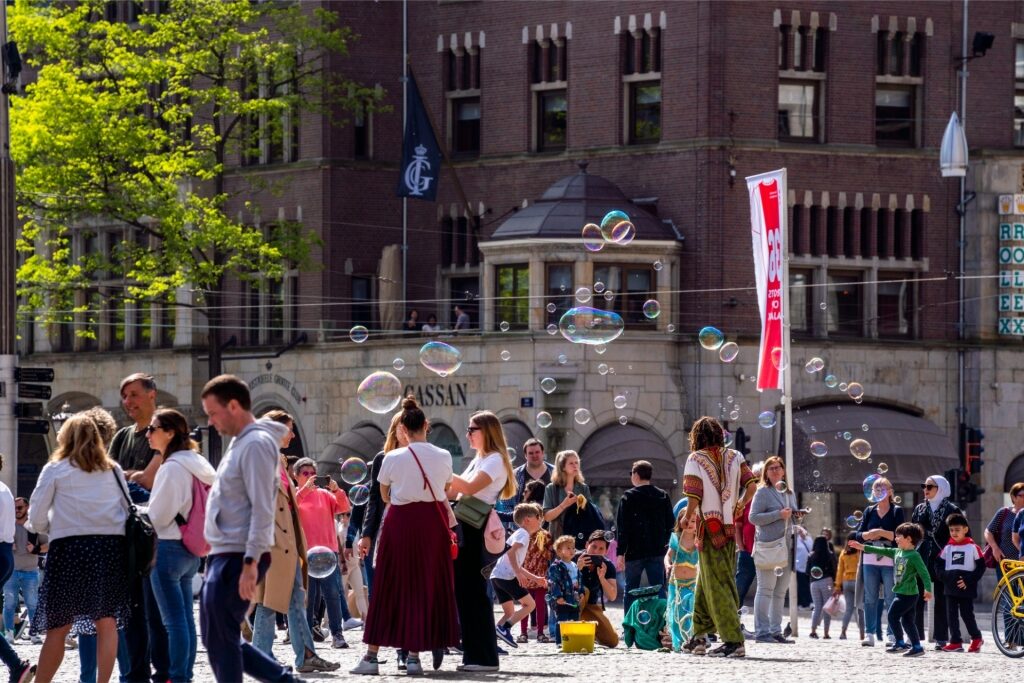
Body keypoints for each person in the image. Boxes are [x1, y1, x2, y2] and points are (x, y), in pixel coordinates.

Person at [198, 374, 302, 683]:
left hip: (239, 554)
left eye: (213, 413)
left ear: (233, 406)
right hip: (225, 552)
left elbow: (262, 506)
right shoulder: (242, 441)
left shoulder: (256, 444)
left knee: (223, 637)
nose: (210, 421)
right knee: (217, 635)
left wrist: (250, 562)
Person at [351, 396, 460, 676]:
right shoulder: (444, 455)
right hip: (432, 525)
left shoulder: (391, 457)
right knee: (423, 587)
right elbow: (446, 488)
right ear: (426, 426)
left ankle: (371, 657)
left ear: (402, 428)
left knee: (388, 586)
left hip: (400, 523)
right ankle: (413, 657)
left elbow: (384, 494)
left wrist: (402, 496)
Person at [28, 414, 131, 683]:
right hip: (108, 550)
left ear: (65, 438)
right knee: (106, 622)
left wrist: (53, 528)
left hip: (69, 550)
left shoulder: (56, 469)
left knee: (59, 626)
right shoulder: (113, 470)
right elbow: (126, 510)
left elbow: (36, 516)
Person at [250, 412, 339, 674]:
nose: (292, 434)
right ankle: (261, 658)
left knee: (295, 600)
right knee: (269, 601)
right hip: (274, 541)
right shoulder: (262, 457)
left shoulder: (278, 458)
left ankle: (306, 654)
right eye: (289, 429)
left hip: (289, 541)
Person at [143, 408, 217, 683]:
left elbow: (159, 515)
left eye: (153, 429)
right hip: (191, 548)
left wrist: (142, 511)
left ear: (170, 433)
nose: (148, 434)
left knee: (173, 621)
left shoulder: (172, 467)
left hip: (167, 547)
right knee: (185, 618)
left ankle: (177, 676)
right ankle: (184, 675)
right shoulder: (198, 463)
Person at [108, 373, 169, 683]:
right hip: (126, 535)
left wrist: (130, 477)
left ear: (151, 395)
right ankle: (135, 674)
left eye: (133, 394)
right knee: (131, 611)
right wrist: (136, 477)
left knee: (156, 611)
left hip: (158, 535)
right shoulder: (122, 436)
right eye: (124, 396)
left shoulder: (164, 431)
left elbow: (152, 480)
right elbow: (109, 478)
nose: (127, 401)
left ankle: (165, 672)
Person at [681, 416, 756, 658]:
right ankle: (699, 637)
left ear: (697, 437)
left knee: (719, 584)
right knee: (706, 582)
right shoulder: (736, 456)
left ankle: (734, 640)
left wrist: (686, 518)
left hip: (708, 528)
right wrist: (740, 504)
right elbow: (752, 486)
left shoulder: (695, 458)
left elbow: (694, 495)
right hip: (729, 529)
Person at [448, 411, 516, 673]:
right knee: (465, 593)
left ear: (486, 431)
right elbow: (454, 490)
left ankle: (485, 657)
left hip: (475, 526)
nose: (468, 434)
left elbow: (468, 488)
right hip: (466, 524)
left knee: (475, 593)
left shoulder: (495, 460)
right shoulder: (481, 458)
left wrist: (441, 468)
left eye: (472, 429)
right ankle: (473, 654)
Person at [291, 457, 352, 649]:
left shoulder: (325, 494)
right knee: (308, 597)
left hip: (328, 551)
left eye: (313, 473)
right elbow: (291, 510)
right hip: (305, 552)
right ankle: (307, 635)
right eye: (305, 473)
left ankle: (337, 634)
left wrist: (337, 490)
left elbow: (344, 508)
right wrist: (304, 490)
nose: (310, 477)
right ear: (296, 476)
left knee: (332, 594)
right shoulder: (295, 494)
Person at [851, 522, 932, 657]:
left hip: (908, 595)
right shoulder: (897, 551)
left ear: (909, 539)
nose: (895, 538)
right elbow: (881, 550)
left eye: (899, 536)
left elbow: (924, 573)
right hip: (901, 593)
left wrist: (928, 589)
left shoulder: (914, 555)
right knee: (907, 621)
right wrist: (862, 547)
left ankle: (900, 643)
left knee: (892, 616)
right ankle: (917, 647)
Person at [615, 460, 675, 614]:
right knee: (659, 588)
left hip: (634, 551)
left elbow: (623, 527)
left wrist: (620, 553)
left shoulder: (628, 496)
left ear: (636, 474)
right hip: (658, 550)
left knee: (631, 589)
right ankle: (662, 621)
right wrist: (668, 546)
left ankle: (629, 623)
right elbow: (671, 524)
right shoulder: (662, 495)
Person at [356, 413, 407, 592]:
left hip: (408, 526)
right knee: (379, 587)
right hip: (383, 527)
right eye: (402, 427)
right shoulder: (382, 457)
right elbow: (374, 498)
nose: (407, 431)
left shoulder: (419, 456)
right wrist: (367, 534)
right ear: (395, 430)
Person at [749, 455, 797, 645]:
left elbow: (791, 517)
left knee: (780, 592)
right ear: (766, 473)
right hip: (768, 547)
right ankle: (762, 632)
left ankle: (776, 631)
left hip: (786, 547)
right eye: (771, 468)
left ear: (784, 471)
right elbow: (753, 518)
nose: (775, 471)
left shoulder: (789, 493)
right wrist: (778, 514)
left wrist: (798, 516)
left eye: (778, 467)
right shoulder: (762, 492)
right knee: (765, 589)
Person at [911, 474, 960, 649]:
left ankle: (941, 638)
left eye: (930, 486)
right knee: (915, 597)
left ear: (941, 489)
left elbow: (961, 534)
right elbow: (912, 533)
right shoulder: (919, 509)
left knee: (940, 599)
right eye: (924, 486)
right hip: (921, 557)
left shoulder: (952, 509)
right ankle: (914, 636)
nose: (925, 490)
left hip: (942, 558)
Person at [854, 475, 904, 647]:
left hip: (890, 558)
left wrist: (881, 533)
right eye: (876, 488)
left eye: (882, 488)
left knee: (891, 597)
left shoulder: (897, 511)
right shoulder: (869, 511)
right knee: (870, 598)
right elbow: (858, 535)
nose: (878, 491)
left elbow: (900, 536)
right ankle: (870, 634)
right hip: (870, 558)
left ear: (890, 492)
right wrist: (869, 534)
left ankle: (892, 634)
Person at [491, 503, 547, 649]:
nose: (540, 519)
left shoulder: (519, 533)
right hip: (506, 576)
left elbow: (514, 561)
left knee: (509, 612)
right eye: (538, 516)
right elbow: (510, 553)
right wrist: (517, 573)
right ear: (527, 520)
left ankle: (490, 644)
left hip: (497, 576)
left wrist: (535, 578)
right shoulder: (523, 534)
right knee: (530, 605)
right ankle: (505, 628)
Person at [934, 512, 985, 653]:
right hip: (949, 587)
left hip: (966, 587)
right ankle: (955, 641)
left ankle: (976, 638)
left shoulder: (973, 547)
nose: (954, 533)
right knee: (951, 615)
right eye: (951, 530)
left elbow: (981, 567)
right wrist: (944, 576)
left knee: (967, 614)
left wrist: (969, 580)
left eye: (957, 530)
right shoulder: (947, 548)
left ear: (965, 530)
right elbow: (937, 564)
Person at [5, 497, 45, 644]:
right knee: (9, 603)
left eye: (20, 507)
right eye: (14, 508)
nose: (16, 510)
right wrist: (7, 545)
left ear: (27, 508)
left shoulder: (34, 526)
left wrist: (35, 549)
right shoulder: (7, 525)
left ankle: (34, 633)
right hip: (11, 571)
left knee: (32, 603)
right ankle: (9, 633)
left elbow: (48, 545)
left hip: (31, 571)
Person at [543, 450, 599, 551]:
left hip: (579, 539)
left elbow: (590, 514)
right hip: (558, 539)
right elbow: (547, 517)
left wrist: (582, 504)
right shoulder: (551, 488)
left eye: (576, 462)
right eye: (571, 463)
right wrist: (564, 504)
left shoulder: (583, 488)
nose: (575, 466)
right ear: (563, 467)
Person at [496, 438, 554, 532]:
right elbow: (506, 503)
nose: (534, 455)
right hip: (521, 529)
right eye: (531, 453)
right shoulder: (515, 475)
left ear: (543, 453)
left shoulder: (555, 472)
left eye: (537, 452)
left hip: (550, 529)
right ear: (525, 455)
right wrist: (517, 522)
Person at [518, 489, 553, 644]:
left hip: (540, 575)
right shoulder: (521, 534)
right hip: (526, 575)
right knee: (525, 605)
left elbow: (549, 555)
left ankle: (540, 632)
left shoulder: (545, 535)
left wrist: (543, 548)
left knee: (540, 605)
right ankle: (523, 632)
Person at [577, 530, 619, 648]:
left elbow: (612, 596)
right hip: (572, 605)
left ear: (606, 551)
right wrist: (577, 569)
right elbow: (563, 586)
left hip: (591, 606)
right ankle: (572, 628)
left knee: (612, 640)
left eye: (601, 549)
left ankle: (589, 633)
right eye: (593, 547)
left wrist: (602, 579)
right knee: (584, 590)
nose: (596, 551)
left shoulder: (607, 565)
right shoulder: (574, 558)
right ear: (586, 545)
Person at [665, 508, 698, 651]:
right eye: (687, 520)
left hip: (692, 584)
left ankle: (690, 641)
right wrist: (668, 565)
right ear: (680, 522)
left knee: (690, 613)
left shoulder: (699, 540)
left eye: (694, 521)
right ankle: (677, 643)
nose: (690, 524)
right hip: (676, 584)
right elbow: (668, 555)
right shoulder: (676, 538)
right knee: (676, 615)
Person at [545, 535, 581, 645]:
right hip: (563, 599)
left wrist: (581, 592)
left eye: (573, 548)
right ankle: (560, 642)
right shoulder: (556, 566)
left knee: (574, 620)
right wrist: (558, 596)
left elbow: (579, 579)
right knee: (562, 620)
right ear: (560, 551)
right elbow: (553, 582)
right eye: (568, 548)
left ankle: (573, 641)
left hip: (574, 599)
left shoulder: (575, 565)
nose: (572, 550)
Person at [986, 482, 1023, 578]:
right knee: (1006, 587)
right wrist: (995, 548)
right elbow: (988, 531)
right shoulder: (1004, 512)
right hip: (1005, 562)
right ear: (1013, 497)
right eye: (1022, 495)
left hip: (1022, 561)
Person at [833, 534, 864, 640]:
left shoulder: (843, 553)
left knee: (848, 609)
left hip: (846, 582)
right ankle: (862, 634)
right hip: (857, 581)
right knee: (859, 608)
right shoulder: (860, 552)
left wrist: (837, 586)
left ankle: (843, 632)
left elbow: (839, 571)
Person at [807, 535, 837, 639]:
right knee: (827, 608)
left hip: (814, 583)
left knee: (817, 607)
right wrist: (836, 583)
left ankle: (813, 631)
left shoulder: (811, 555)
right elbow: (834, 569)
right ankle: (826, 633)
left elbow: (807, 571)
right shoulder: (830, 554)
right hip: (827, 581)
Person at [794, 525, 812, 609]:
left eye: (803, 531)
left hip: (808, 567)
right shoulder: (796, 540)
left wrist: (805, 539)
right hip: (798, 567)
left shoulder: (809, 539)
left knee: (808, 585)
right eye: (800, 531)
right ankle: (801, 603)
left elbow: (811, 550)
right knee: (801, 586)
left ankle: (809, 602)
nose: (801, 532)